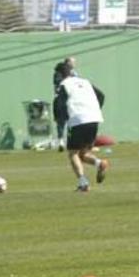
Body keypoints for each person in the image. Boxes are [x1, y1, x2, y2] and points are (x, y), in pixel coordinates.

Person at [55, 61, 109, 192]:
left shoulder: (63, 85)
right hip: (94, 119)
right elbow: (101, 96)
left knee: (72, 153)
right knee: (83, 154)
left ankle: (83, 183)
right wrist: (94, 110)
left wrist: (63, 121)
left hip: (78, 120)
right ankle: (99, 163)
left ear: (60, 75)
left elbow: (61, 106)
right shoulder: (85, 82)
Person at [53, 56, 77, 152]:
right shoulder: (59, 73)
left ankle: (71, 141)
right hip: (61, 99)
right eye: (73, 62)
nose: (74, 64)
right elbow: (57, 83)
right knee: (60, 121)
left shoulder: (74, 73)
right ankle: (61, 142)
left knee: (72, 120)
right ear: (67, 63)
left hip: (72, 99)